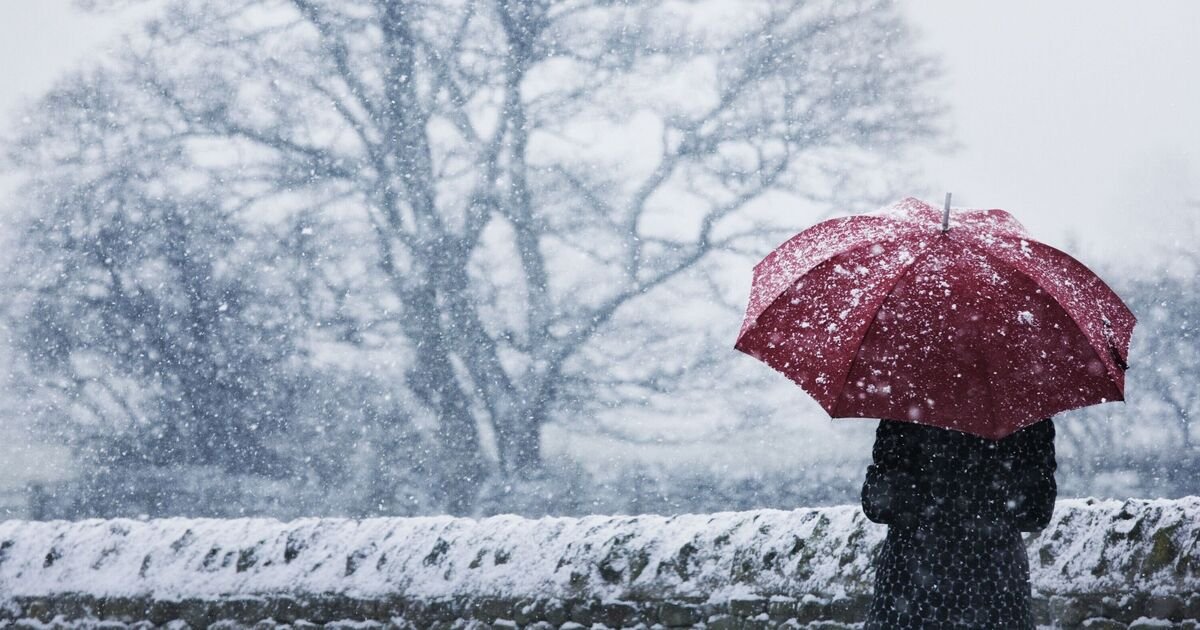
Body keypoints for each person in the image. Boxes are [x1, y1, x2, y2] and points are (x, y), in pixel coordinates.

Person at [861, 417, 1057, 630]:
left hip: (910, 592)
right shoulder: (1022, 413)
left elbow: (878, 507)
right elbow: (1036, 514)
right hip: (997, 591)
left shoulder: (905, 411)